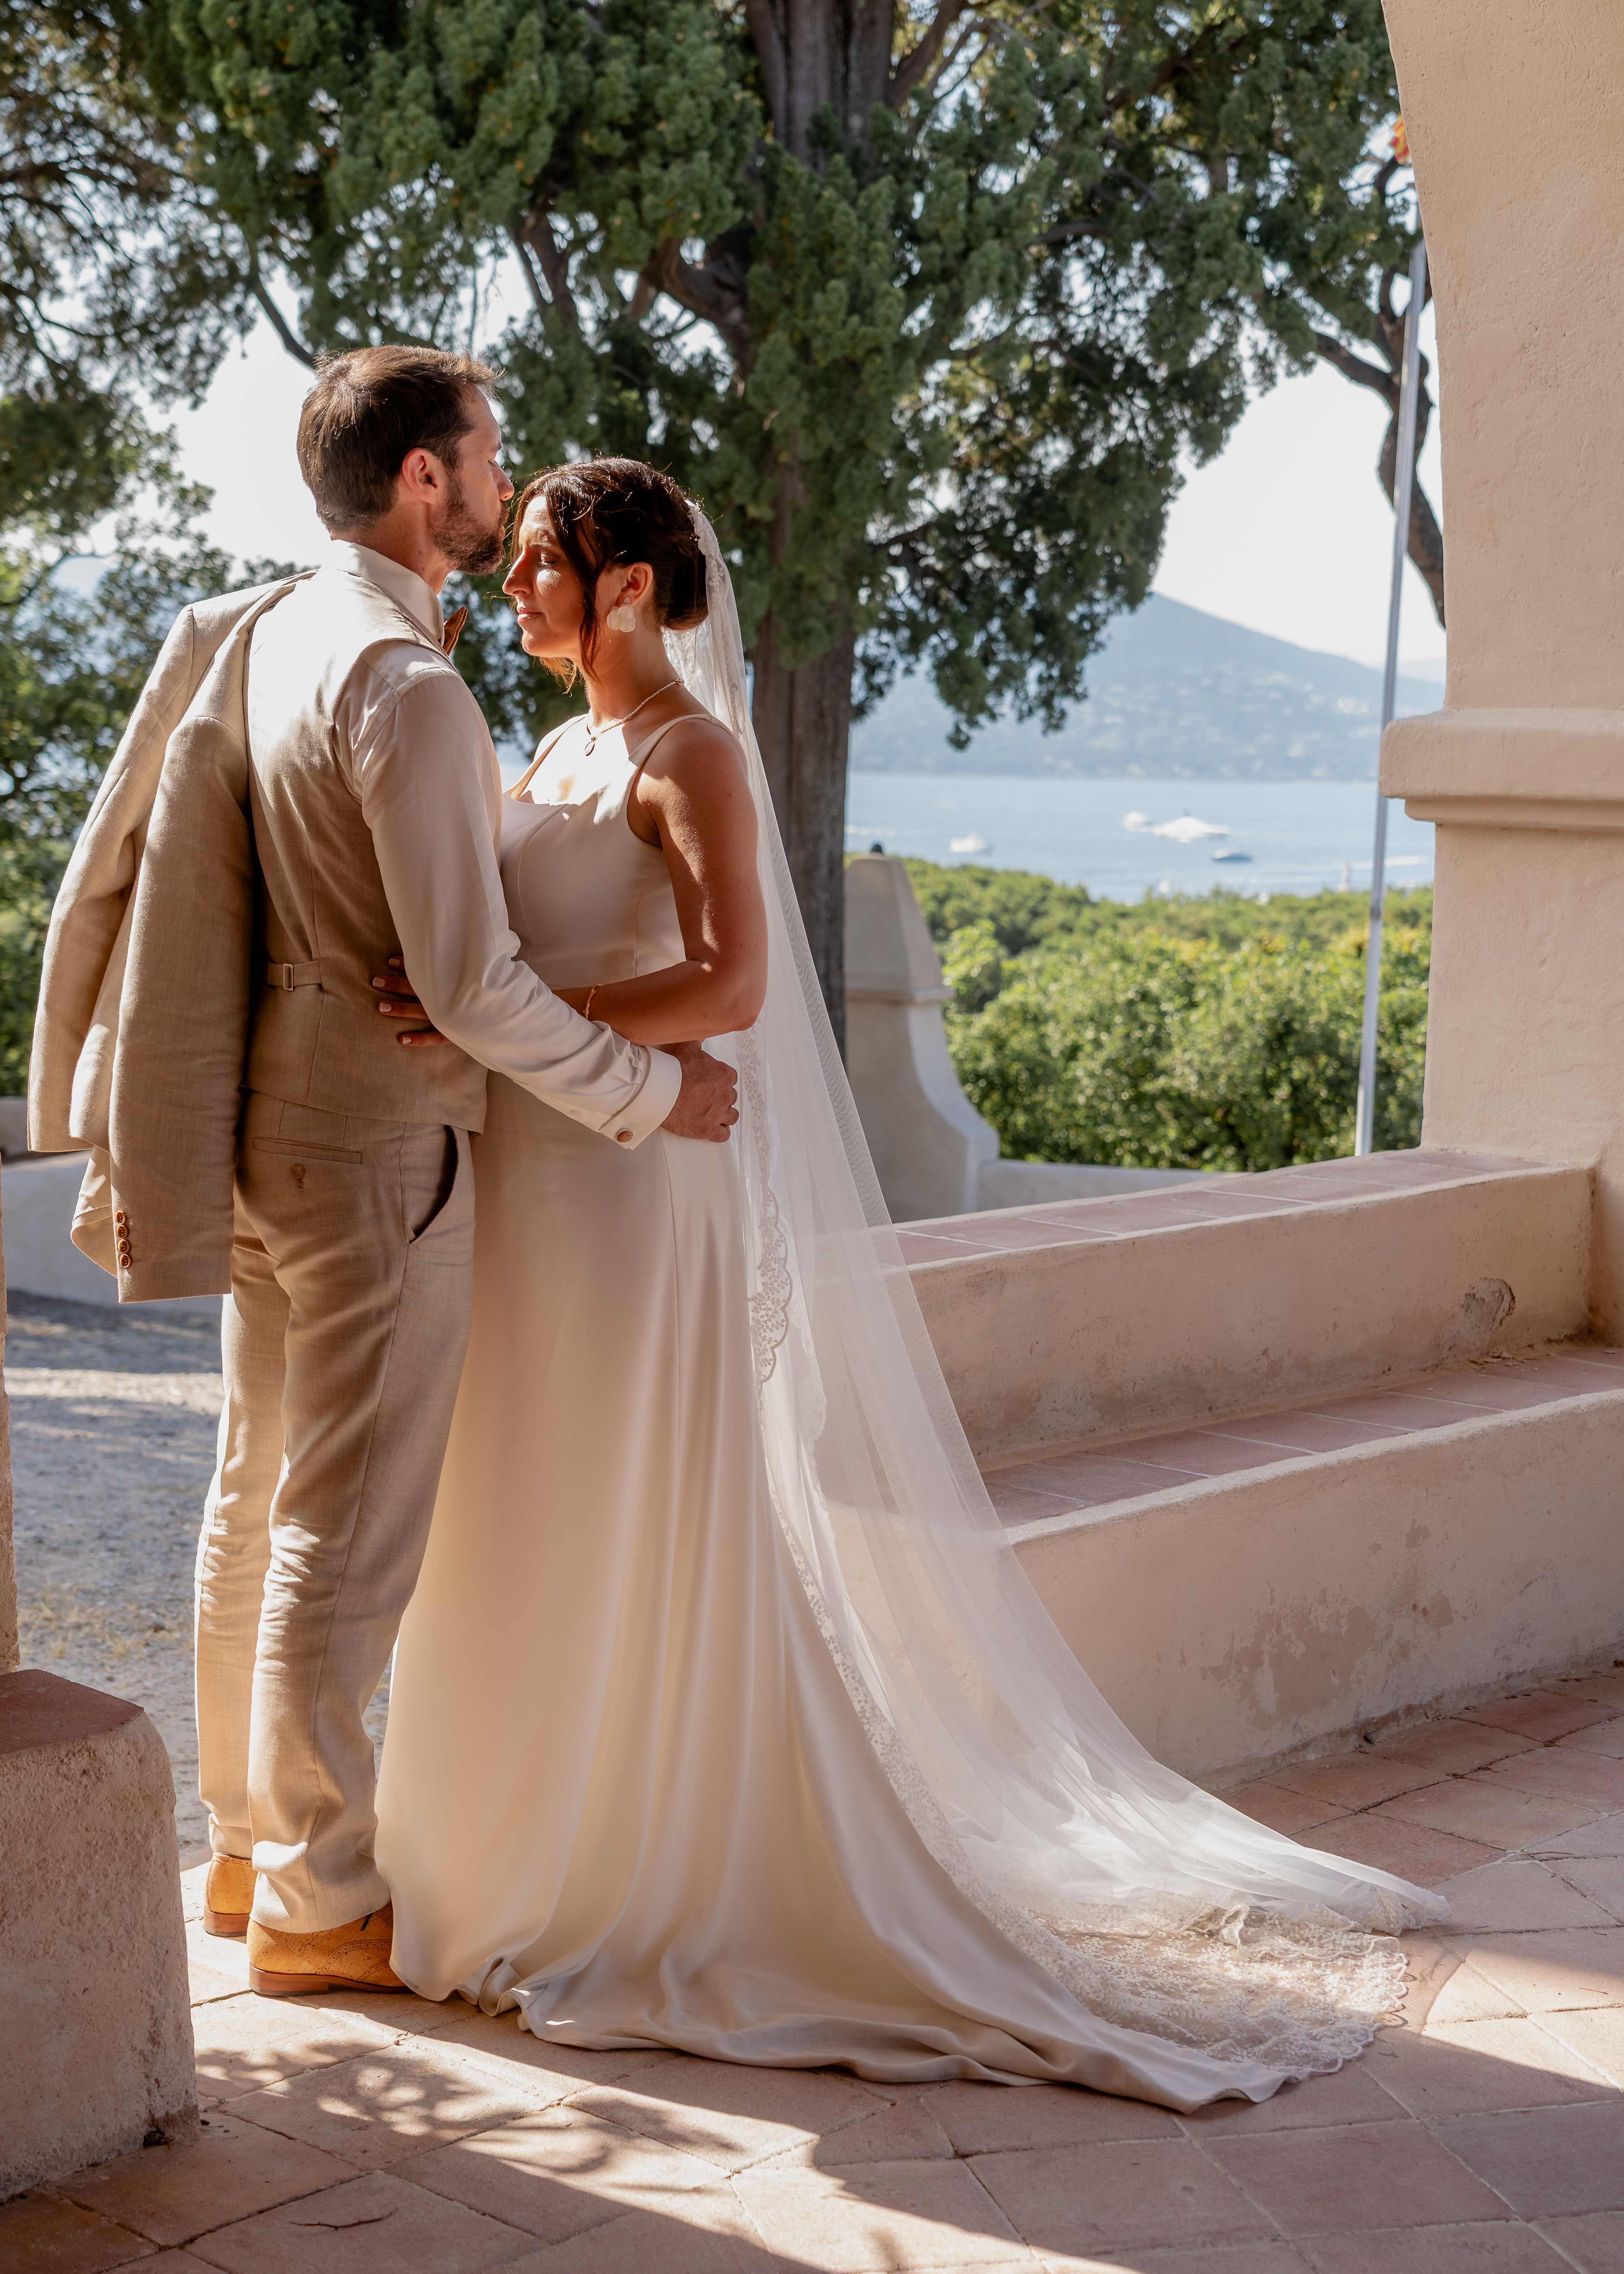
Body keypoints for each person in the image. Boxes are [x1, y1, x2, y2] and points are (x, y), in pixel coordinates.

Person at [372, 458, 1446, 2111]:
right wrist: (466, 1008)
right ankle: (521, 1846)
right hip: (538, 1180)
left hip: (638, 1192)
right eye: (514, 563)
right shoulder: (561, 745)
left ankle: (642, 1867)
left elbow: (732, 976)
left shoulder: (690, 753)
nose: (513, 587)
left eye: (540, 564)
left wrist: (504, 1030)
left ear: (634, 588)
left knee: (622, 1500)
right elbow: (515, 954)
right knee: (518, 1498)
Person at [31, 349, 739, 2002]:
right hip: (375, 1152)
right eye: (488, 457)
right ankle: (322, 1894)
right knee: (337, 1535)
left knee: (254, 1493)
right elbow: (475, 986)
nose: (502, 491)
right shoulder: (406, 683)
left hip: (267, 1129)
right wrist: (648, 1087)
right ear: (425, 480)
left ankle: (236, 1850)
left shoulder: (271, 631)